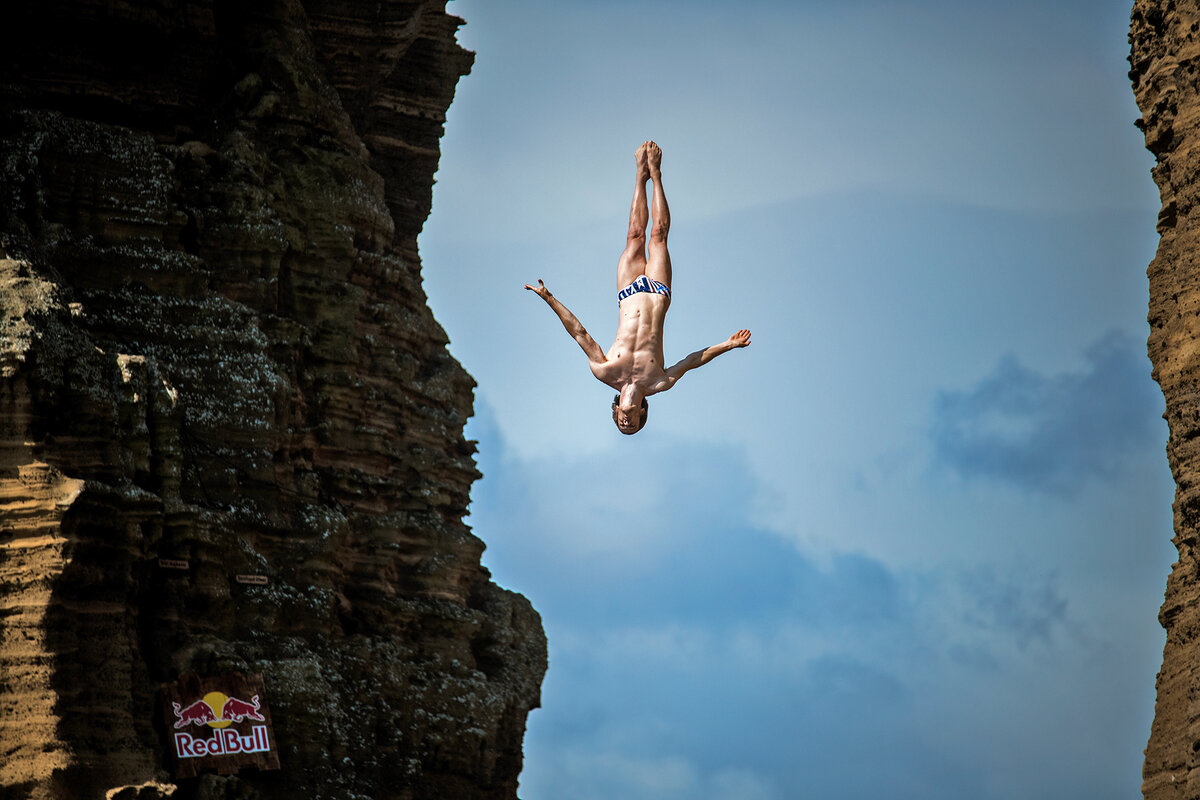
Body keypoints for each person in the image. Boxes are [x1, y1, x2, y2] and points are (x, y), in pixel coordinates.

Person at [525, 140, 752, 435]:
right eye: (632, 426)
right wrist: (728, 344)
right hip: (657, 292)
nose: (626, 423)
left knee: (634, 235)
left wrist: (549, 298)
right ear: (642, 414)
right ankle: (655, 174)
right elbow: (694, 360)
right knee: (658, 235)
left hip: (628, 291)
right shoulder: (659, 382)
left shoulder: (603, 370)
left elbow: (579, 332)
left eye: (622, 424)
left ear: (617, 410)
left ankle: (638, 174)